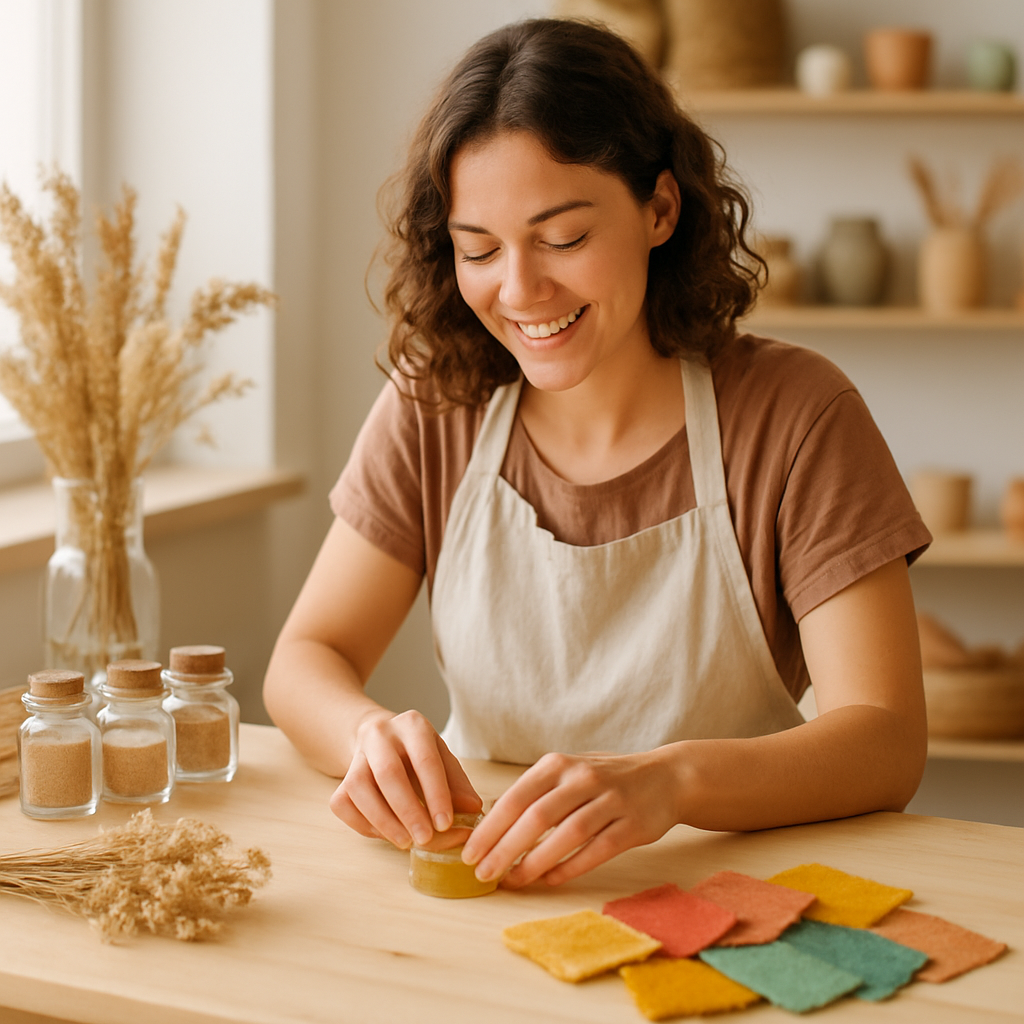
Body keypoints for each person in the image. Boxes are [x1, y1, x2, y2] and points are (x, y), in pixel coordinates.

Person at [264, 18, 930, 890]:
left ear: (659, 209)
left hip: (722, 895)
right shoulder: (439, 401)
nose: (520, 291)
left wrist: (674, 779)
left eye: (564, 238)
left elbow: (884, 739)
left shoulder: (796, 415)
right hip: (489, 894)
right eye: (479, 249)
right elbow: (306, 657)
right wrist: (366, 736)